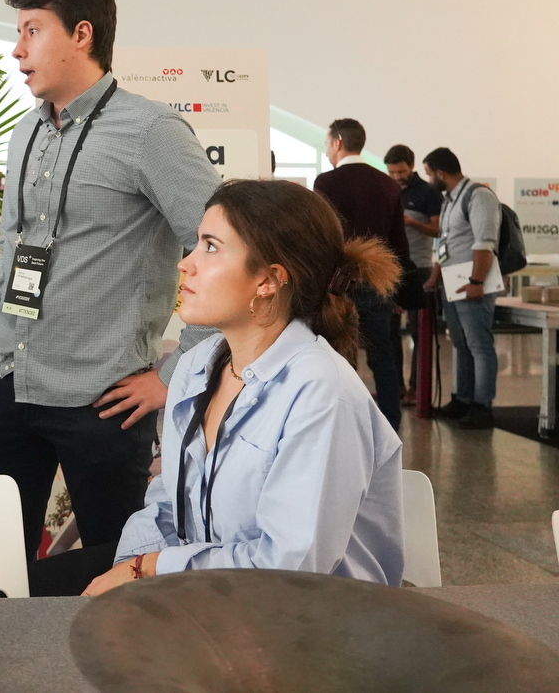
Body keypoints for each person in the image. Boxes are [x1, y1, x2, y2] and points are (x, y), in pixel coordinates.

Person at [0, 0, 220, 562]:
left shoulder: (151, 131)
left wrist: (174, 374)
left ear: (82, 34)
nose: (18, 49)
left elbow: (225, 248)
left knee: (114, 567)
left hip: (101, 398)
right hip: (7, 376)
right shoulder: (27, 130)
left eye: (32, 30)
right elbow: (14, 244)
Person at [56, 179, 404, 597]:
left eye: (210, 246)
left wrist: (148, 569)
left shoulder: (322, 393)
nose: (186, 264)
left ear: (268, 280)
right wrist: (130, 569)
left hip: (308, 616)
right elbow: (166, 503)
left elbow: (289, 569)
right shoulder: (197, 366)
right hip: (212, 595)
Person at [312, 119, 408, 430]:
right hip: (378, 281)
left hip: (338, 284)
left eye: (327, 144)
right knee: (383, 356)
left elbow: (324, 238)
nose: (327, 151)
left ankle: (347, 424)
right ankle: (391, 424)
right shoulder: (387, 184)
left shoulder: (326, 182)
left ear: (338, 142)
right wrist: (400, 290)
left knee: (340, 356)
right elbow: (398, 241)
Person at [423, 147, 500, 430]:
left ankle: (482, 405)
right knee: (460, 342)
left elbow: (484, 242)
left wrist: (477, 282)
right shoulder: (449, 201)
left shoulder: (478, 196)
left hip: (472, 283)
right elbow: (446, 244)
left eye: (429, 174)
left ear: (440, 173)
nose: (429, 179)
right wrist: (435, 276)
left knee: (479, 344)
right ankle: (463, 398)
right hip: (452, 282)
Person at [384, 144, 442, 402]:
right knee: (389, 332)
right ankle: (395, 387)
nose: (396, 177)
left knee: (420, 332)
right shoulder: (387, 189)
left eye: (401, 171)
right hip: (391, 270)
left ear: (412, 166)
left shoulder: (428, 192)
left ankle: (417, 388)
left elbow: (438, 230)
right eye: (392, 172)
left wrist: (412, 222)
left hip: (419, 268)